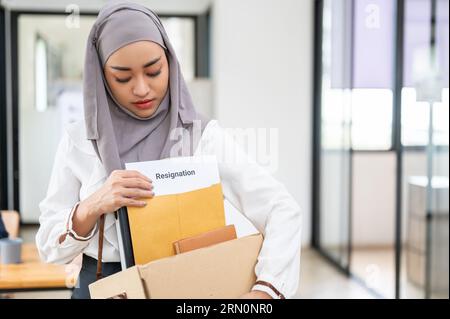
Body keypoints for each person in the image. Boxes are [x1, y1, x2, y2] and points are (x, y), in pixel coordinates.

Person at [36, 1, 302, 299]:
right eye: (122, 77)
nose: (141, 89)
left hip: (182, 284)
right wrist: (93, 205)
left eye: (154, 71)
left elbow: (282, 209)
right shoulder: (79, 140)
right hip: (103, 286)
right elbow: (48, 246)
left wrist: (266, 292)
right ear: (101, 76)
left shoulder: (200, 137)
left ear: (170, 62)